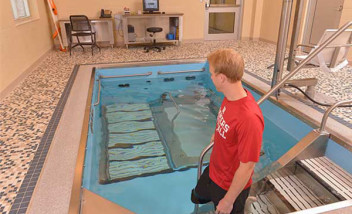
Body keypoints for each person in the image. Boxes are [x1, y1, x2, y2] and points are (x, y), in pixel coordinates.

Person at [191, 49, 264, 214]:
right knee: (196, 197)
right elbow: (228, 124)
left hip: (228, 187)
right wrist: (218, 134)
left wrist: (228, 201)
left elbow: (247, 166)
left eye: (211, 74)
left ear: (222, 78)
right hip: (214, 171)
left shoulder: (249, 118)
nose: (210, 77)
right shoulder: (230, 96)